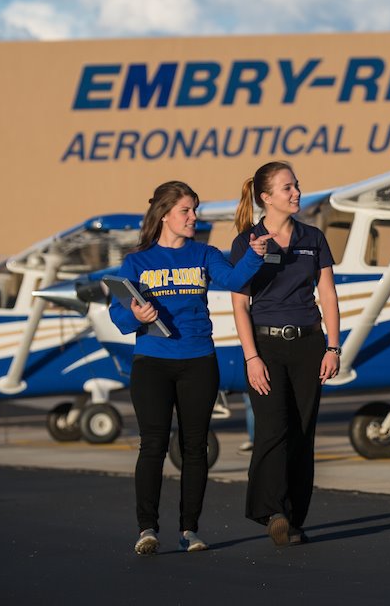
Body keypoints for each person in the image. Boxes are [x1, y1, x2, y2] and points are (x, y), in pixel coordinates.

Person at [109, 180, 272, 556]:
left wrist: (255, 253)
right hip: (152, 362)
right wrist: (136, 313)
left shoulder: (204, 253)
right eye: (186, 211)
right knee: (152, 445)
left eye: (194, 210)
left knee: (194, 447)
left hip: (198, 360)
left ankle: (190, 529)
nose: (193, 217)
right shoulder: (136, 262)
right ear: (165, 214)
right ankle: (147, 528)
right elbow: (120, 317)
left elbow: (233, 279)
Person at [229, 161, 341, 546]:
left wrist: (333, 346)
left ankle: (293, 518)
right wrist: (251, 357)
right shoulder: (247, 243)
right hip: (266, 346)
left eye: (296, 186)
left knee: (302, 432)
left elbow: (327, 294)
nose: (296, 193)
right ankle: (272, 510)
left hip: (309, 345)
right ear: (266, 197)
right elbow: (240, 304)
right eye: (287, 188)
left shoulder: (314, 237)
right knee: (273, 429)